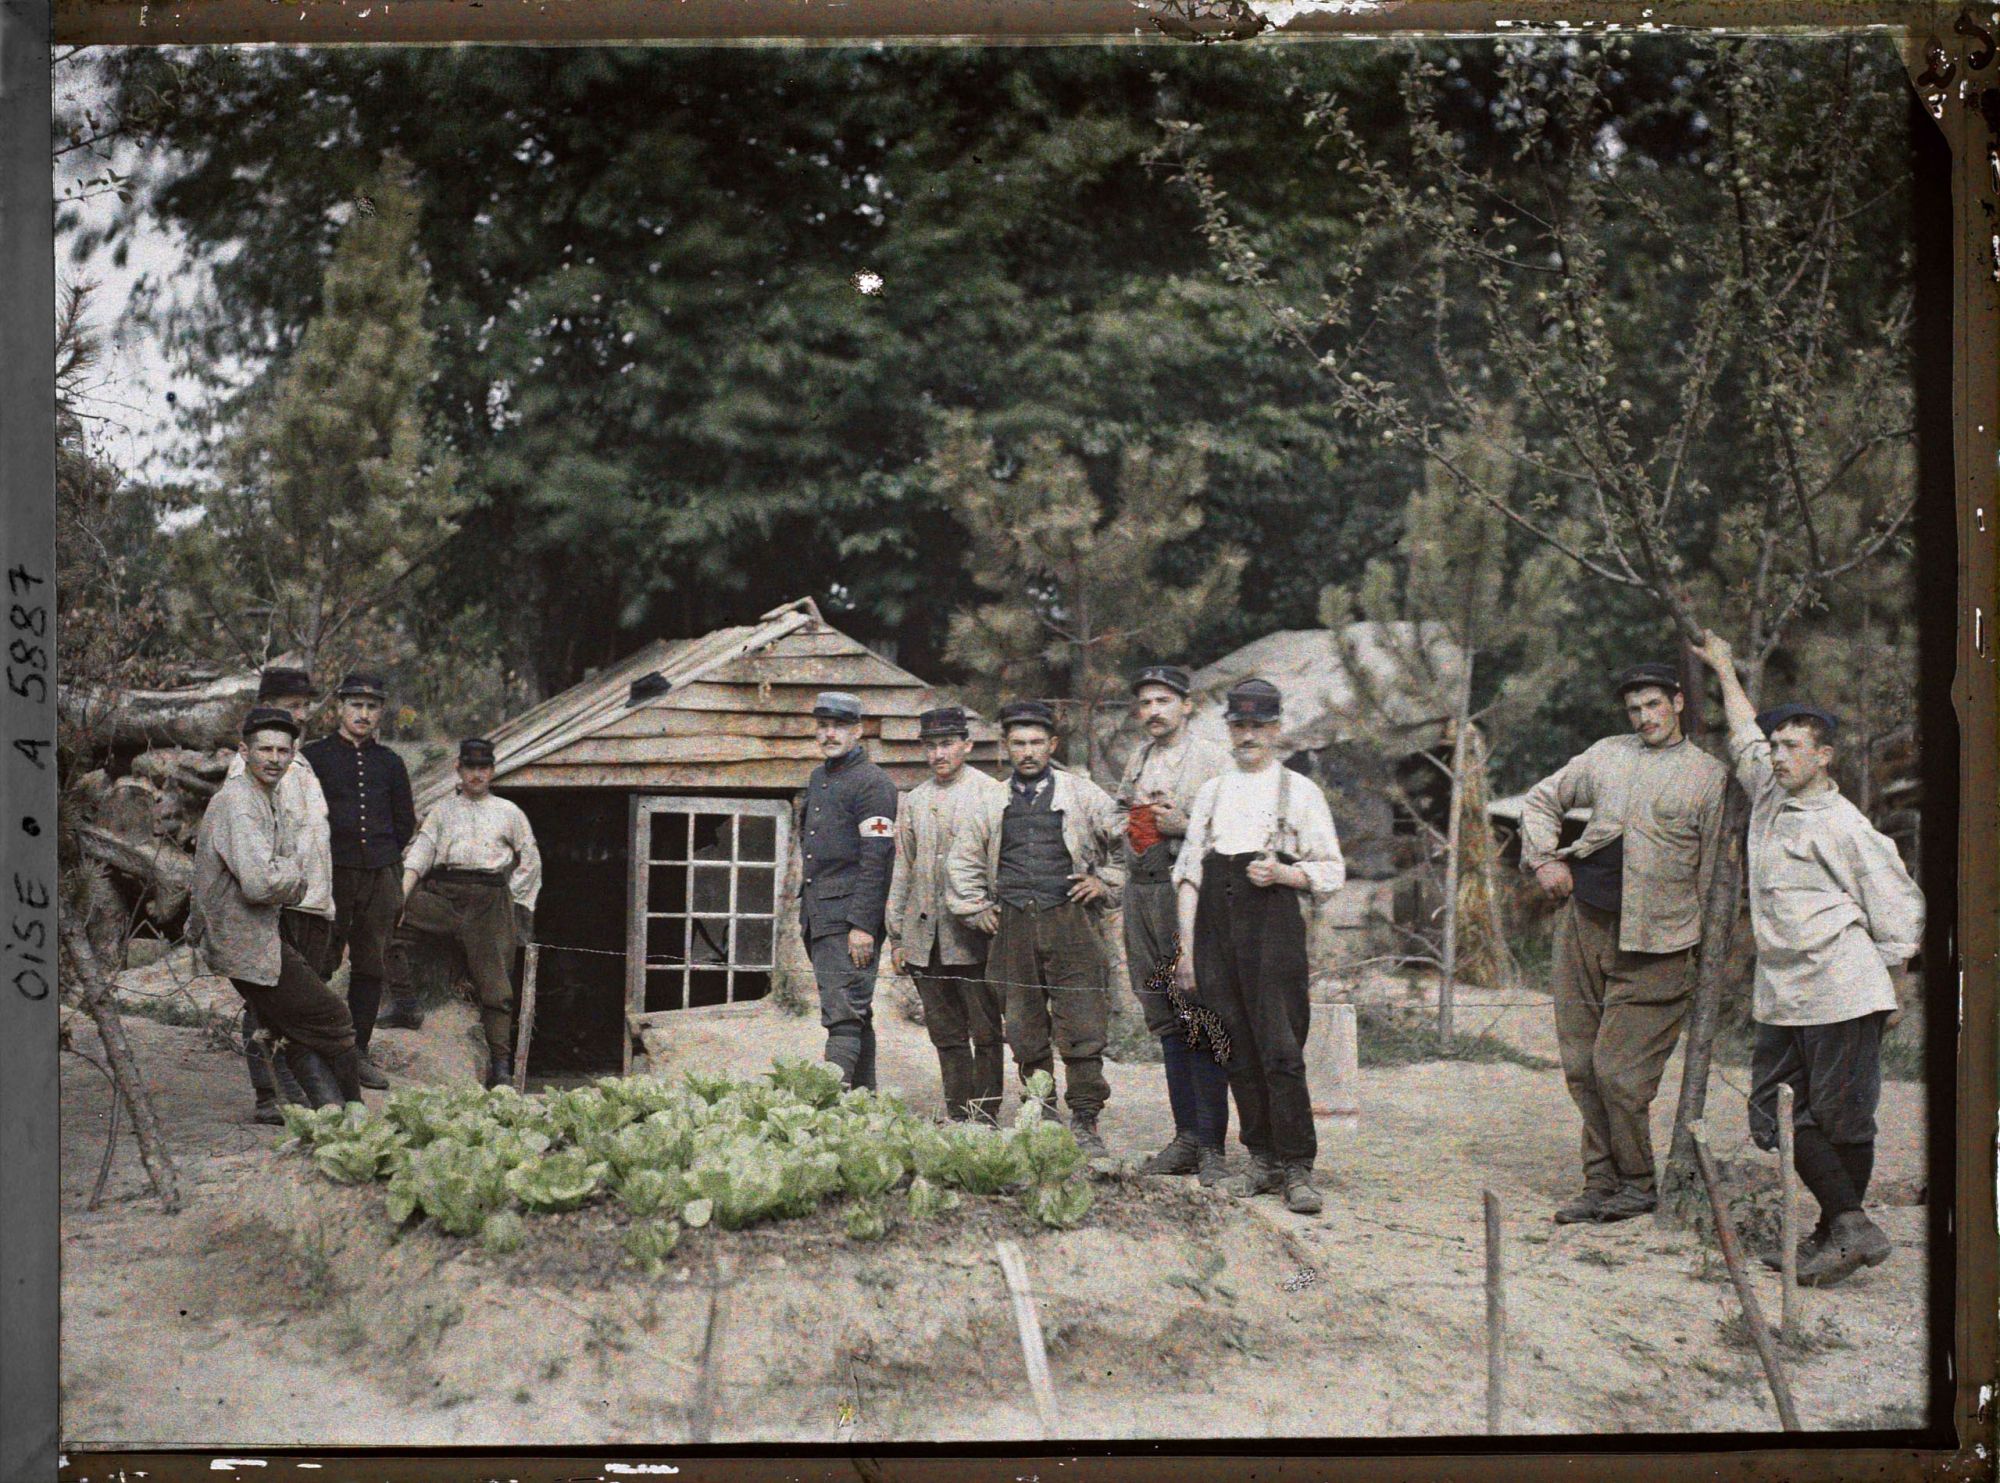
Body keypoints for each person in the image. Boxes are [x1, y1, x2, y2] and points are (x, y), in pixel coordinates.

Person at [1694, 632, 1924, 1287]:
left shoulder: (1845, 826)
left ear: (1824, 757)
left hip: (1843, 990)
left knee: (1840, 1116)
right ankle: (1846, 1225)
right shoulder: (1768, 791)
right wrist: (1721, 664)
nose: (1778, 753)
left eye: (1793, 745)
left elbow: (1902, 916)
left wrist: (1894, 990)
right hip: (1784, 992)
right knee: (1771, 1111)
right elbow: (1742, 731)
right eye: (1776, 745)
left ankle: (1840, 1231)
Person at [1519, 660, 1730, 1224]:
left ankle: (1637, 1183)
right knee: (1582, 1067)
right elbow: (1541, 800)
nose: (1644, 718)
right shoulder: (1606, 755)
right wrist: (1543, 861)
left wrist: (1711, 957)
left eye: (1654, 705)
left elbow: (1715, 875)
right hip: (1586, 926)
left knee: (1619, 1073)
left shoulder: (1708, 777)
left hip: (1659, 941)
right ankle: (1600, 1182)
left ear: (1678, 703)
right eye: (1635, 709)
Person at [1172, 679, 1346, 1216]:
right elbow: (1188, 876)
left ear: (1276, 730)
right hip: (1214, 932)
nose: (1248, 735)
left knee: (1280, 1049)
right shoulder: (1212, 792)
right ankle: (1261, 1159)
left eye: (1258, 726)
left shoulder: (1299, 791)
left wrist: (1285, 874)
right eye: (1238, 725)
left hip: (1271, 927)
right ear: (1228, 729)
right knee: (1234, 1048)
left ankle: (1297, 1165)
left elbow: (1333, 871)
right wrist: (1184, 952)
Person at [945, 700, 1124, 1158]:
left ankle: (1085, 1120)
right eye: (1019, 743)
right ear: (1006, 748)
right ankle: (1041, 1115)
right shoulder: (989, 800)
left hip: (1072, 923)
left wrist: (1103, 881)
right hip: (1012, 925)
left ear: (1052, 745)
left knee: (1083, 1023)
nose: (1028, 752)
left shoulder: (1081, 794)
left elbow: (1126, 842)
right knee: (1023, 1026)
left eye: (1036, 743)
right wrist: (975, 908)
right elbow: (962, 860)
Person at [189, 707, 363, 1108]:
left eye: (283, 751)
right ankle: (352, 1115)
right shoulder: (239, 802)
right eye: (265, 749)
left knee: (292, 1025)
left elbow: (279, 872)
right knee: (332, 1017)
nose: (274, 759)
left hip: (262, 933)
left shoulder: (271, 798)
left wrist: (285, 874)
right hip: (243, 938)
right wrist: (294, 877)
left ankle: (325, 1115)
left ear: (294, 754)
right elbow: (258, 882)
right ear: (243, 751)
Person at [1116, 664, 1231, 1181]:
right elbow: (1121, 813)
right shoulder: (1140, 757)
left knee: (1199, 1015)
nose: (1153, 711)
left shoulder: (1212, 758)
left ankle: (1212, 1146)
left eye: (1163, 700)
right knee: (1165, 1017)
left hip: (1190, 894)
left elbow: (1233, 833)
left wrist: (1181, 824)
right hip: (1142, 893)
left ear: (1188, 705)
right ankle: (1185, 1137)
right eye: (1144, 703)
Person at [392, 738, 543, 1088]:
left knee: (496, 988)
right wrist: (399, 899)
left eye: (483, 768)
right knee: (384, 925)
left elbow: (529, 859)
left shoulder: (508, 812)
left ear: (491, 771)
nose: (477, 775)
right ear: (458, 770)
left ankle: (501, 1066)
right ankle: (405, 1002)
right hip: (444, 894)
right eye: (470, 768)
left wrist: (515, 903)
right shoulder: (442, 811)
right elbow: (419, 856)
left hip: (489, 898)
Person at [224, 667, 337, 1124]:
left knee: (296, 1001)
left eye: (306, 707)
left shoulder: (301, 765)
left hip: (311, 902)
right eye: (292, 706)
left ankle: (294, 1085)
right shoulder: (249, 772)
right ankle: (270, 1093)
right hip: (277, 903)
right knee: (267, 1001)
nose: (302, 715)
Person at [885, 706, 1008, 1122]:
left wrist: (994, 913)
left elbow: (1002, 864)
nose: (939, 754)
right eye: (931, 746)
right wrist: (897, 936)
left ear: (967, 745)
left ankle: (985, 1116)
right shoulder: (915, 801)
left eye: (947, 744)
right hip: (927, 937)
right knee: (946, 1032)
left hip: (974, 936)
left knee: (986, 1031)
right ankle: (959, 1114)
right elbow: (903, 868)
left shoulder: (992, 794)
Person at [302, 671, 416, 1087]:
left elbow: (405, 822)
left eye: (371, 707)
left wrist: (384, 860)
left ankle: (359, 1053)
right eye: (356, 706)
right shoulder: (315, 757)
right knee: (318, 962)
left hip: (380, 875)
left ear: (381, 713)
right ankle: (311, 1048)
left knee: (371, 964)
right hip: (330, 873)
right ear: (339, 709)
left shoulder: (391, 763)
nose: (363, 714)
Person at [799, 691, 900, 1091]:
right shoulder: (819, 778)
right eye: (822, 726)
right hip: (820, 915)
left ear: (857, 731)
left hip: (848, 919)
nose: (829, 734)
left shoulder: (873, 784)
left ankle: (830, 1108)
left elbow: (878, 858)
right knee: (855, 1011)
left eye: (838, 726)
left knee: (843, 1015)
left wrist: (862, 925)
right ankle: (863, 1104)